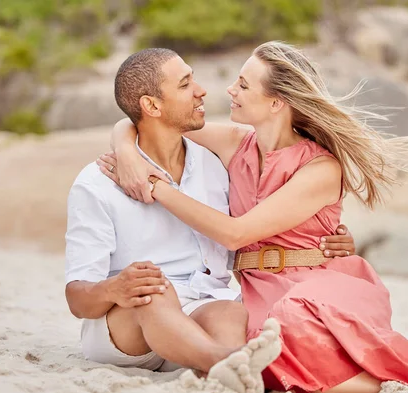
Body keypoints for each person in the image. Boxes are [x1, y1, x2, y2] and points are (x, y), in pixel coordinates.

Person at [101, 42, 408, 393]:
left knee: (291, 320)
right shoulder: (236, 143)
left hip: (317, 285)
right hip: (256, 290)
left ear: (276, 103)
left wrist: (158, 188)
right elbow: (145, 122)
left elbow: (236, 234)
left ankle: (378, 383)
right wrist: (128, 152)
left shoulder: (321, 168)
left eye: (243, 85)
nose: (230, 91)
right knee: (253, 349)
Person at [65, 47, 355, 393]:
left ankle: (226, 370)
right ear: (153, 106)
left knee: (230, 313)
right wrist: (115, 288)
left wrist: (322, 241)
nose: (203, 90)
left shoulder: (217, 167)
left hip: (198, 316)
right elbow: (77, 299)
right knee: (155, 290)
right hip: (126, 330)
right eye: (186, 84)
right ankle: (226, 360)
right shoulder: (99, 182)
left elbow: (253, 226)